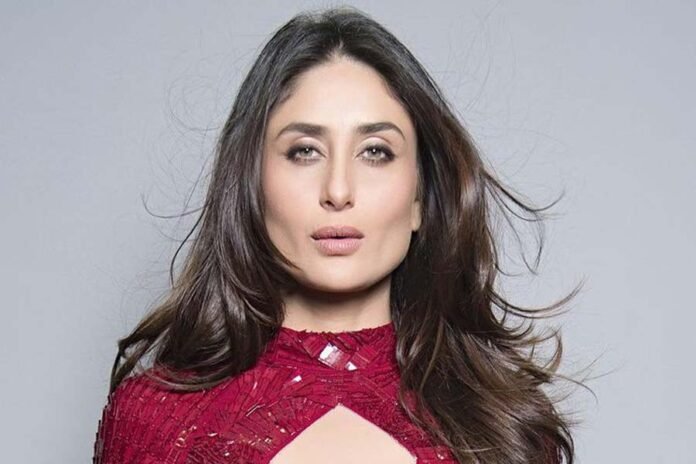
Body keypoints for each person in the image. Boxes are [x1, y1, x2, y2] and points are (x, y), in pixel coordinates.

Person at [93, 6, 582, 463]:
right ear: (252, 187)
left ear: (420, 199)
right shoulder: (154, 421)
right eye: (305, 151)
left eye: (375, 152)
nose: (338, 191)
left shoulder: (506, 423)